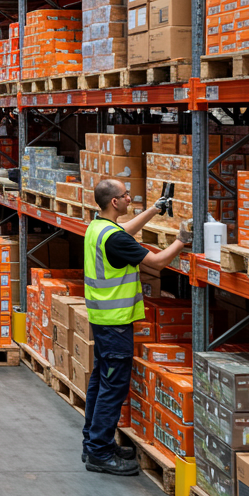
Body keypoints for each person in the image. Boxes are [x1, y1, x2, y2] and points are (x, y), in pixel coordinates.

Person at [82, 178, 190, 476]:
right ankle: (100, 453)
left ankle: (92, 442)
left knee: (100, 382)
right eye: (125, 195)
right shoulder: (114, 239)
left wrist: (155, 209)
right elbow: (157, 262)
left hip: (102, 319)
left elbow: (124, 231)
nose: (129, 198)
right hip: (116, 324)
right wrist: (183, 239)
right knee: (113, 389)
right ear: (114, 202)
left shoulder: (97, 227)